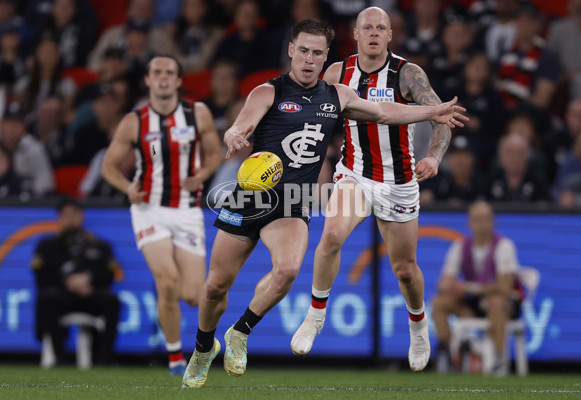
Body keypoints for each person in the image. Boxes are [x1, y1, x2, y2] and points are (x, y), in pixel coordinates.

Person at [182, 18, 467, 388]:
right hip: (249, 196)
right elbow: (240, 125)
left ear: (325, 57)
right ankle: (204, 347)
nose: (308, 59)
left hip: (292, 201)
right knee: (216, 286)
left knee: (286, 271)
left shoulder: (337, 95)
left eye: (317, 53)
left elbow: (387, 113)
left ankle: (239, 332)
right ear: (291, 50)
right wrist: (235, 135)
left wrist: (431, 111)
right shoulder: (267, 92)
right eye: (303, 51)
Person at [290, 7, 457, 373]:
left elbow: (441, 116)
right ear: (356, 32)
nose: (375, 33)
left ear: (391, 34)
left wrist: (434, 157)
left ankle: (418, 325)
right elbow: (313, 117)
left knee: (405, 270)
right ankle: (315, 316)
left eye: (382, 27)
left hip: (398, 183)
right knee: (331, 234)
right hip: (355, 174)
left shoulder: (407, 73)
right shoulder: (337, 73)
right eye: (368, 27)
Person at [101, 55, 222, 375]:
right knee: (166, 282)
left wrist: (203, 175)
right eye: (157, 72)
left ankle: (190, 343)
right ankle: (174, 358)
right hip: (148, 209)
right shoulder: (135, 121)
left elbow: (214, 155)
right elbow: (108, 167)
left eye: (170, 72)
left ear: (180, 81)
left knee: (194, 297)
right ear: (148, 80)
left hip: (186, 210)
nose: (163, 77)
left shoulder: (198, 114)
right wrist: (128, 188)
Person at [431, 201, 522, 376]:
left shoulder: (504, 246)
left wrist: (468, 288)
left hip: (505, 304)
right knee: (439, 303)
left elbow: (504, 287)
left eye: (485, 219)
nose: (481, 224)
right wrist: (450, 287)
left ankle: (498, 359)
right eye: (477, 220)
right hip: (473, 304)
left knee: (495, 303)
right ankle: (450, 355)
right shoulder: (460, 246)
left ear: (493, 222)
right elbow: (443, 283)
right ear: (469, 223)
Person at [31, 198, 122, 366]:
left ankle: (104, 359)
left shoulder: (99, 245)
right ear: (58, 218)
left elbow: (110, 274)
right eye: (66, 215)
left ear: (82, 217)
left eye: (74, 214)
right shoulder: (46, 245)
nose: (70, 219)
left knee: (112, 300)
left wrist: (89, 280)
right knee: (47, 298)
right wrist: (67, 282)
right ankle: (61, 357)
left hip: (90, 294)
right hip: (61, 295)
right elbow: (40, 276)